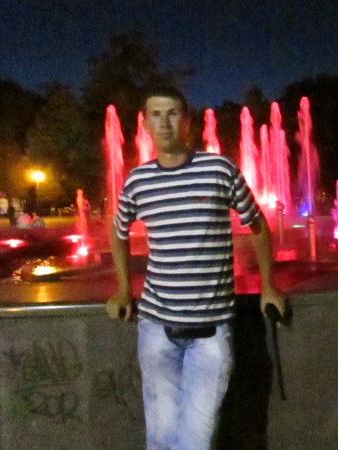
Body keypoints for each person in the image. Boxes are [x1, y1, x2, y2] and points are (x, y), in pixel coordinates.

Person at [106, 85, 286, 450]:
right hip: (157, 327)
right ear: (146, 124)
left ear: (187, 122)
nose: (164, 123)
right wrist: (124, 288)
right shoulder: (138, 180)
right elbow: (118, 230)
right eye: (156, 115)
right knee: (160, 438)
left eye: (172, 113)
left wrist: (269, 284)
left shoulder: (218, 168)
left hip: (211, 332)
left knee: (196, 440)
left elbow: (257, 223)